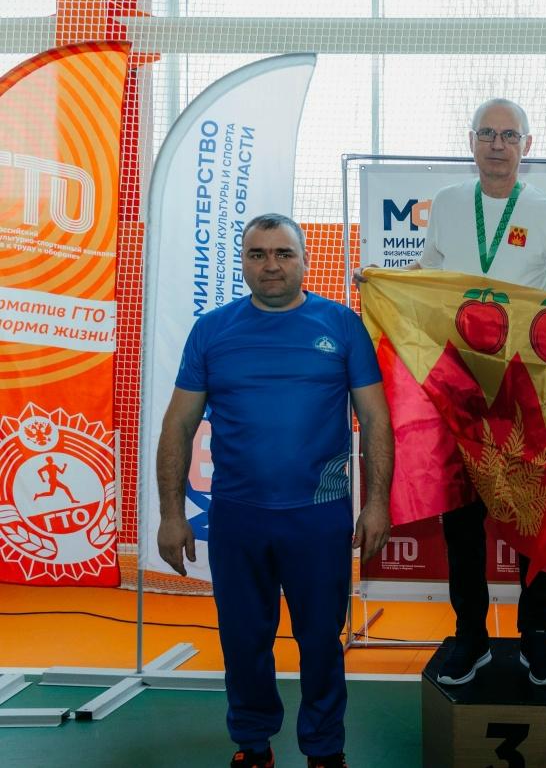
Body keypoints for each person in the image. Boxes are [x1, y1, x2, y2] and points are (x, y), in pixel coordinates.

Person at [360, 98, 546, 688]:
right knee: (462, 523)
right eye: (487, 133)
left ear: (527, 145)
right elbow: (430, 277)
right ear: (471, 141)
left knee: (535, 520)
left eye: (509, 135)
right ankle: (471, 636)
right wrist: (384, 282)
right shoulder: (450, 205)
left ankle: (536, 636)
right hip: (458, 389)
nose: (497, 144)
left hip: (526, 391)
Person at [156, 213, 393, 768]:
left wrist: (377, 502)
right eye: (258, 254)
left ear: (306, 260)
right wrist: (171, 514)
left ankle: (324, 749)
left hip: (318, 517)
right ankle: (253, 743)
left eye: (283, 253)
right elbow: (178, 425)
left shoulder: (342, 325)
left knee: (321, 641)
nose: (271, 265)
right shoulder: (212, 331)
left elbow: (376, 419)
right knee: (243, 641)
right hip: (237, 517)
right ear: (243, 262)